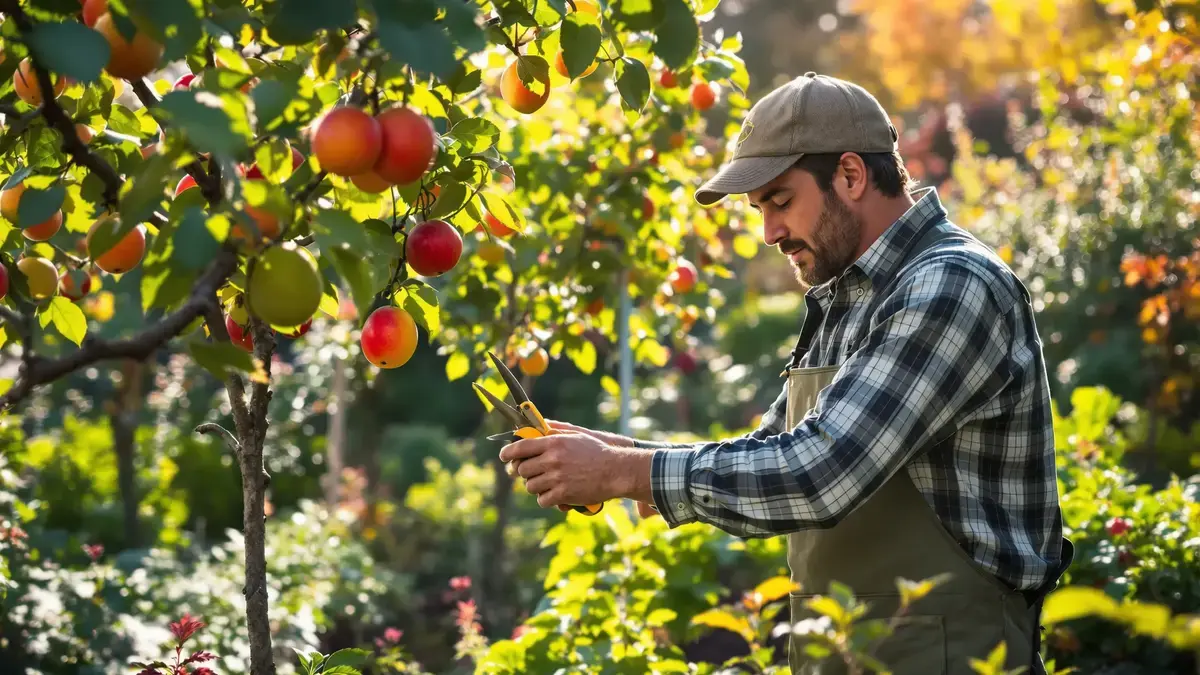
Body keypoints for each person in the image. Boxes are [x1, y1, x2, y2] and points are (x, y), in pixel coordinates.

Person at [498, 72, 1073, 674]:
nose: (769, 232)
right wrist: (617, 456)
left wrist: (620, 471)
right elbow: (775, 448)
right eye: (759, 210)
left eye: (780, 201)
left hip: (956, 656)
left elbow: (821, 471)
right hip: (856, 651)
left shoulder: (949, 285)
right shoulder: (849, 293)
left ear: (850, 175)